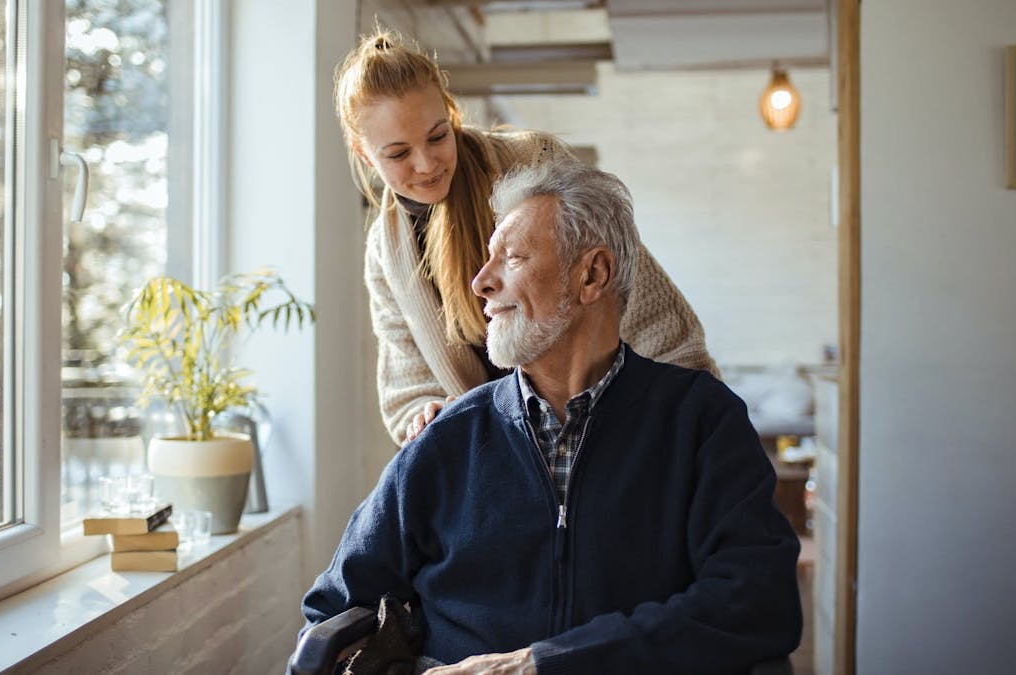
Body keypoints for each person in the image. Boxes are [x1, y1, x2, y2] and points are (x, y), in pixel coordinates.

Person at [300, 160, 802, 674]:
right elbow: (331, 612)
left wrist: (543, 664)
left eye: (512, 257)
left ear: (592, 275)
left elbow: (759, 601)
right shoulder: (447, 440)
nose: (480, 282)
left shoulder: (701, 422)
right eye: (487, 259)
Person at [334, 30, 719, 446]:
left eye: (437, 136)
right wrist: (427, 413)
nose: (426, 164)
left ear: (451, 113)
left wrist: (691, 416)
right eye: (397, 153)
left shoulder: (533, 164)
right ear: (362, 152)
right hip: (504, 460)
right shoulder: (385, 252)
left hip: (611, 430)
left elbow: (638, 299)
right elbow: (407, 389)